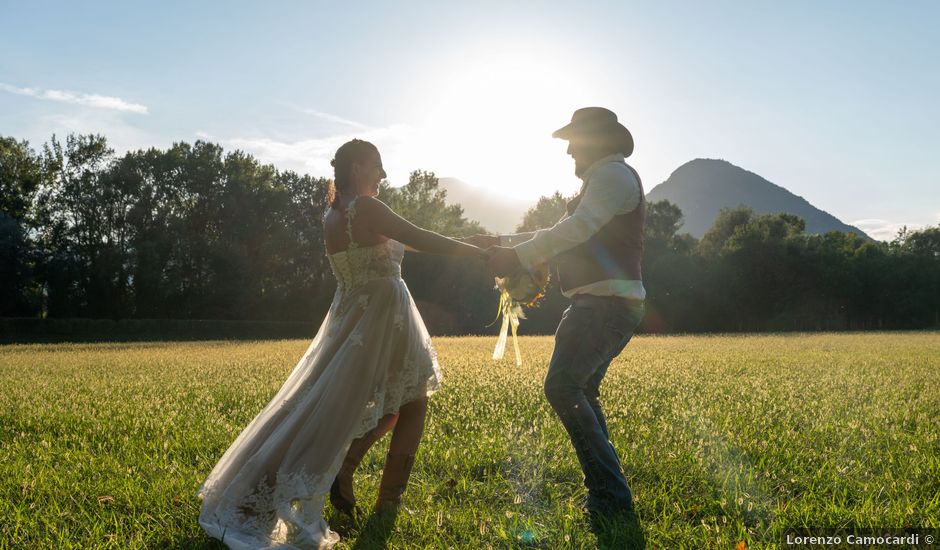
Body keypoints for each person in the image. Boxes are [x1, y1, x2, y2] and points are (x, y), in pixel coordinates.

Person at [198, 139, 484, 549]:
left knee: (348, 406)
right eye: (377, 165)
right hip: (383, 313)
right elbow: (417, 235)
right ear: (355, 168)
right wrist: (475, 253)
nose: (383, 175)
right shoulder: (364, 208)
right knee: (411, 401)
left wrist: (475, 241)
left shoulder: (334, 215)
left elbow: (407, 241)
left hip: (353, 315)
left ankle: (344, 468)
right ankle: (387, 505)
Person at [480, 107, 646, 517]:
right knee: (581, 391)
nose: (569, 149)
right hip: (601, 302)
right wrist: (496, 241)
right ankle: (608, 494)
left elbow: (576, 231)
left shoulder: (611, 176)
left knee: (563, 388)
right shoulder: (604, 180)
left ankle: (611, 494)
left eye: (574, 140)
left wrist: (514, 254)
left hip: (604, 303)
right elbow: (556, 233)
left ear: (596, 141)